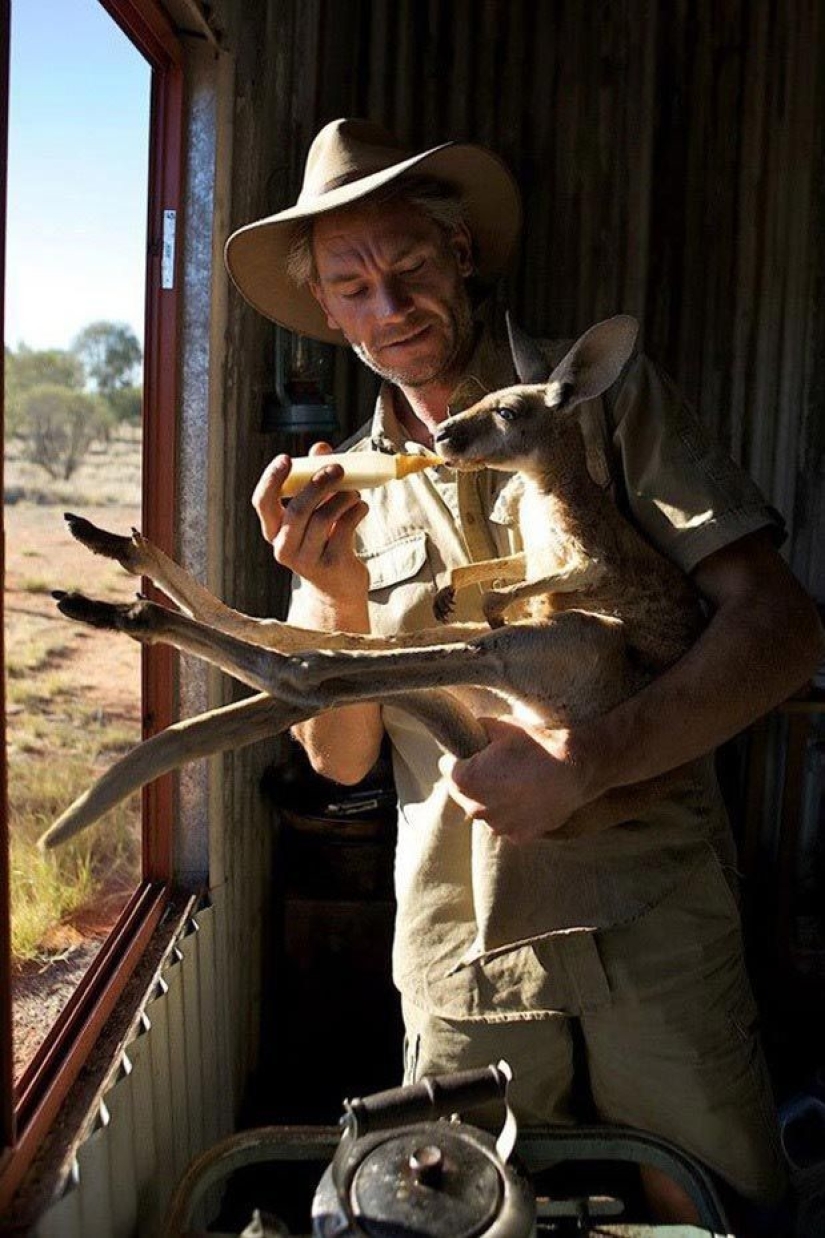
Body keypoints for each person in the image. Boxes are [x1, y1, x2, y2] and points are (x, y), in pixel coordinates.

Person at [225, 118, 824, 1224]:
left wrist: (590, 760)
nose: (390, 305)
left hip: (653, 907)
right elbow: (340, 760)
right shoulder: (336, 487)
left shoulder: (595, 401)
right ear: (327, 313)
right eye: (352, 286)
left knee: (705, 1199)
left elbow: (782, 630)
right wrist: (337, 595)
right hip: (464, 939)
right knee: (469, 1208)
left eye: (410, 265)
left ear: (460, 253)